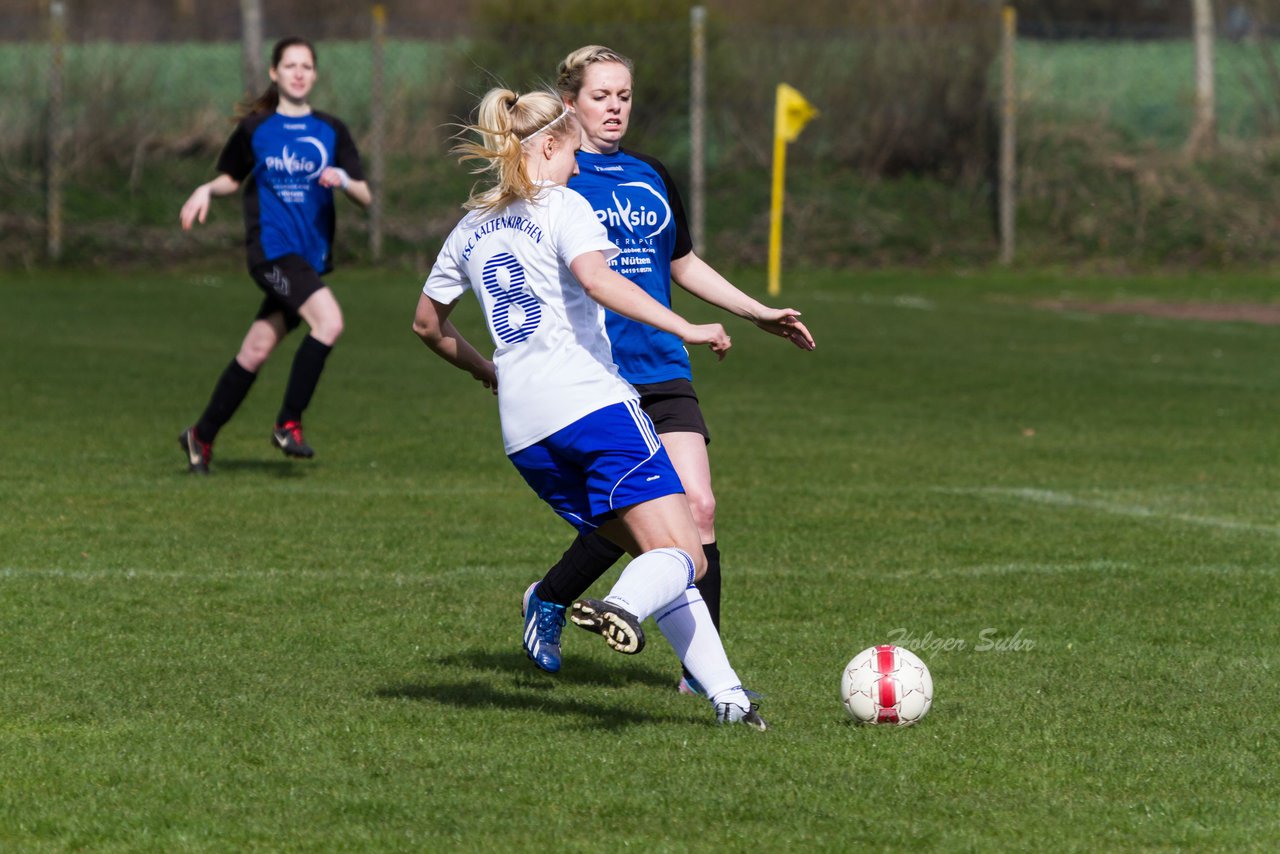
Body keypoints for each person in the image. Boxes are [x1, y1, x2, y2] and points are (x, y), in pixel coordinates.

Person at [413, 86, 766, 729]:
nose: (578, 165)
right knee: (685, 552)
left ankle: (730, 701)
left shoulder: (470, 228)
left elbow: (427, 325)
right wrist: (686, 328)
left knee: (655, 546)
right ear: (550, 144)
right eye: (572, 150)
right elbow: (599, 280)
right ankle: (623, 608)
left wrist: (487, 370)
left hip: (525, 431)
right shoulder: (564, 204)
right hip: (592, 406)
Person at [520, 45, 816, 693]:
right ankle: (549, 596)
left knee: (700, 508)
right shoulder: (557, 180)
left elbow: (681, 263)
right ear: (569, 103)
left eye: (624, 96)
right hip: (597, 376)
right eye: (601, 96)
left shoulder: (650, 173)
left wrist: (755, 312)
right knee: (633, 526)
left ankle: (697, 674)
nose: (615, 108)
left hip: (662, 366)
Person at [177, 36, 372, 474]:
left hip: (308, 259)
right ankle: (288, 423)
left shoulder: (332, 130)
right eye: (290, 65)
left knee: (256, 349)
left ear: (315, 74)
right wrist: (206, 188)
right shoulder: (256, 129)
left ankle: (201, 435)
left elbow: (365, 195)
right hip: (271, 254)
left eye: (306, 66)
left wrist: (341, 177)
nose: (299, 73)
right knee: (329, 321)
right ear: (274, 72)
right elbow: (231, 178)